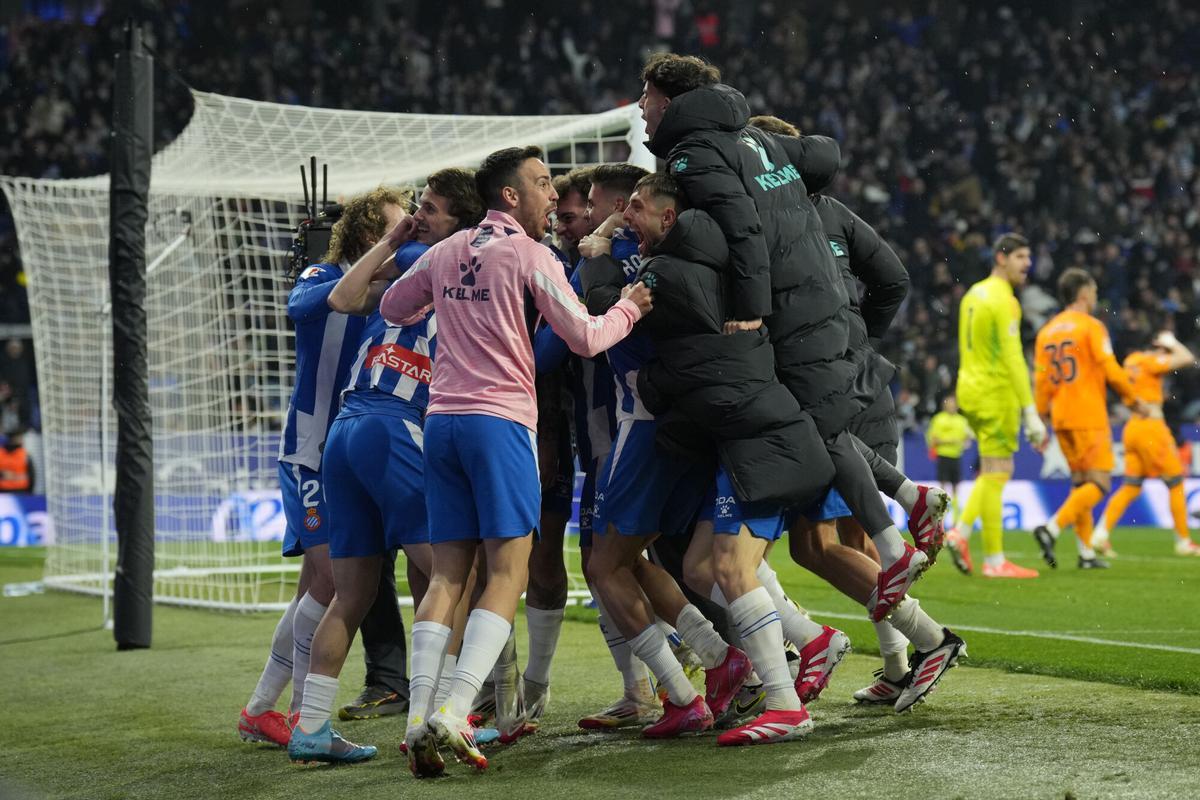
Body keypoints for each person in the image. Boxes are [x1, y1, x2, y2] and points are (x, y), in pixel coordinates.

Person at [380, 146, 651, 777]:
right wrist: (630, 309)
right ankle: (452, 712)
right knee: (508, 572)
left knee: (449, 576)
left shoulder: (446, 253)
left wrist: (448, 310)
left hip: (441, 423)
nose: (551, 194)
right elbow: (584, 337)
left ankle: (420, 717)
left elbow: (393, 307)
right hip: (498, 423)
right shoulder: (529, 254)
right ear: (510, 196)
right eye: (541, 182)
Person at [638, 54, 935, 623]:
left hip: (790, 306)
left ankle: (903, 527)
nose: (641, 107)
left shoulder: (696, 152)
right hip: (818, 301)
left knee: (818, 434)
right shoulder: (754, 141)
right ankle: (905, 525)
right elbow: (822, 154)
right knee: (819, 442)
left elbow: (744, 227)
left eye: (646, 95)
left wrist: (751, 309)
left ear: (670, 100)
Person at [743, 115, 959, 707]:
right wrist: (856, 338)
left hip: (836, 390)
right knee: (819, 545)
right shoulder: (828, 213)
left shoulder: (778, 217)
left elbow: (892, 281)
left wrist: (849, 342)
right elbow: (891, 278)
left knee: (828, 542)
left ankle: (908, 651)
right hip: (846, 379)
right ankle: (897, 658)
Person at [285, 169, 484, 764]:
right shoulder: (441, 256)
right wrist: (404, 238)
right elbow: (339, 298)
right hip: (394, 422)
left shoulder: (409, 263)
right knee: (455, 574)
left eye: (430, 207)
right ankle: (442, 715)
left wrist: (393, 241)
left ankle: (311, 727)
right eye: (415, 207)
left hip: (345, 434)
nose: (419, 216)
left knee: (353, 592)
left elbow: (345, 301)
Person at [238, 187, 408, 749]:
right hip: (311, 450)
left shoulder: (396, 290)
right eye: (395, 226)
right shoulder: (320, 274)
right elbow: (305, 308)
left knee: (319, 582)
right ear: (368, 235)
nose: (405, 232)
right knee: (335, 579)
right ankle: (294, 715)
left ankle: (267, 710)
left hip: (351, 447)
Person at [1032, 268, 1143, 570]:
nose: (1095, 297)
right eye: (1093, 291)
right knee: (1100, 483)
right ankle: (1052, 528)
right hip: (1088, 414)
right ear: (1083, 293)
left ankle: (1085, 553)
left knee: (1080, 484)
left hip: (1061, 417)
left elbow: (1041, 382)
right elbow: (1110, 368)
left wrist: (1041, 417)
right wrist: (1133, 399)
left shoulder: (1047, 332)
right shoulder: (1091, 327)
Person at [954, 233, 1049, 579]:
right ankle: (993, 559)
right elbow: (1012, 357)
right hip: (996, 392)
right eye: (1021, 256)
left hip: (970, 388)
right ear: (1001, 257)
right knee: (997, 472)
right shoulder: (1004, 299)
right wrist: (1030, 410)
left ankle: (961, 533)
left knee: (989, 471)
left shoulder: (972, 294)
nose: (1028, 264)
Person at [1093, 331, 1200, 556]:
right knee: (1176, 482)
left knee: (1131, 486)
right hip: (1152, 428)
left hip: (1132, 427)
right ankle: (1183, 541)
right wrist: (1172, 342)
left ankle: (1100, 534)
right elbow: (1187, 358)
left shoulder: (1130, 361)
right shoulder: (1149, 362)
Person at [927, 395, 974, 570]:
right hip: (944, 456)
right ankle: (941, 523)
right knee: (943, 491)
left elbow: (967, 439)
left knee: (955, 491)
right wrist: (953, 441)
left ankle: (954, 523)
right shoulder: (938, 419)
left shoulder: (962, 421)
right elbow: (934, 440)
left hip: (956, 457)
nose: (952, 407)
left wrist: (955, 441)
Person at [0, 427, 32, 492]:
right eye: (19, 437)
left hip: (21, 490)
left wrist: (29, 492)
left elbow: (31, 474)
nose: (21, 439)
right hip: (3, 490)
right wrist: (2, 474)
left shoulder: (24, 454)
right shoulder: (1, 453)